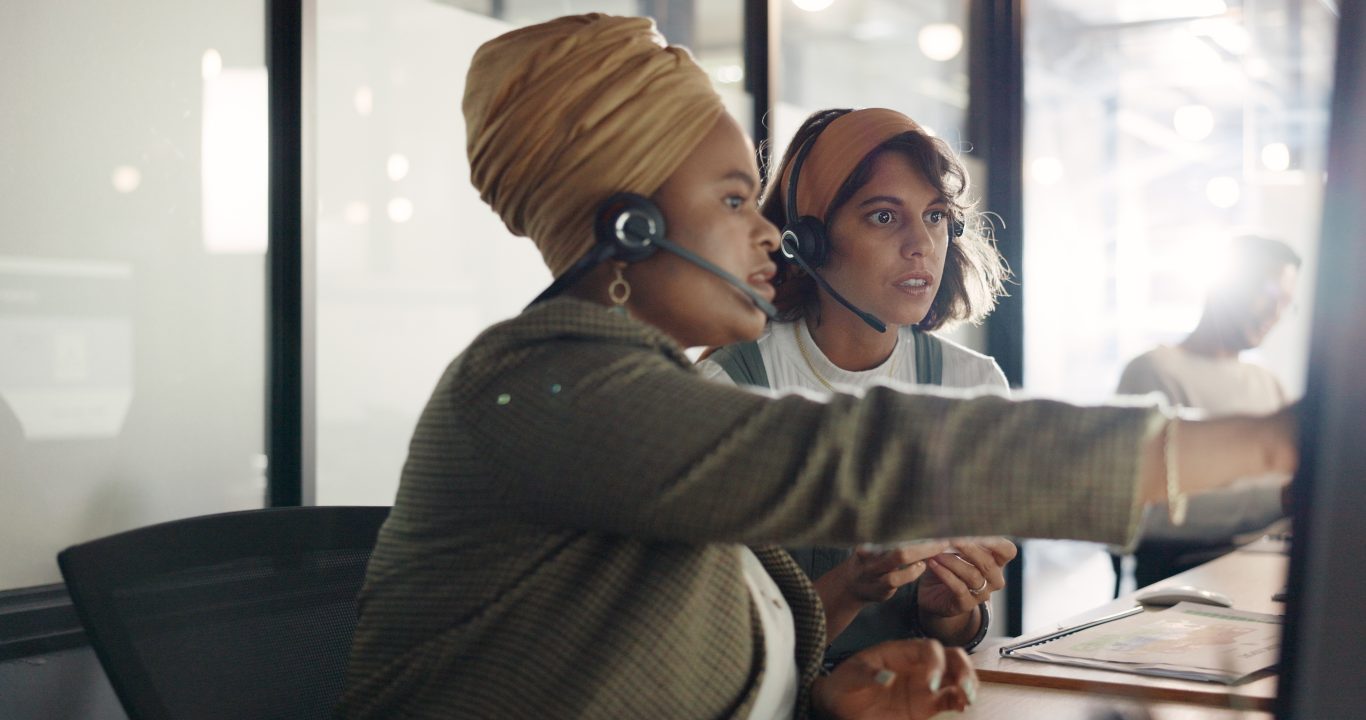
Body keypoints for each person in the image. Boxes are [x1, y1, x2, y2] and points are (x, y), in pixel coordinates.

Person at [339, 14, 1298, 720]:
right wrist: (1267, 442)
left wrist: (834, 689)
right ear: (624, 226)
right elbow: (856, 457)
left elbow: (701, 649)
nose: (766, 239)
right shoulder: (539, 383)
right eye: (730, 200)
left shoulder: (640, 393)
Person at [698, 108, 1014, 663]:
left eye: (936, 216)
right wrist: (851, 585)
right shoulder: (731, 388)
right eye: (884, 218)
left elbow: (961, 633)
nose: (922, 245)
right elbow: (715, 649)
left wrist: (949, 609)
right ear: (808, 243)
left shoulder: (974, 386)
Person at [1115, 235, 1301, 587]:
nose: (1276, 313)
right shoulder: (1154, 370)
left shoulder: (1268, 382)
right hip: (1186, 575)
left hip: (1265, 569)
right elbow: (1146, 513)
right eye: (1271, 295)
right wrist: (1279, 499)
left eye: (1287, 303)